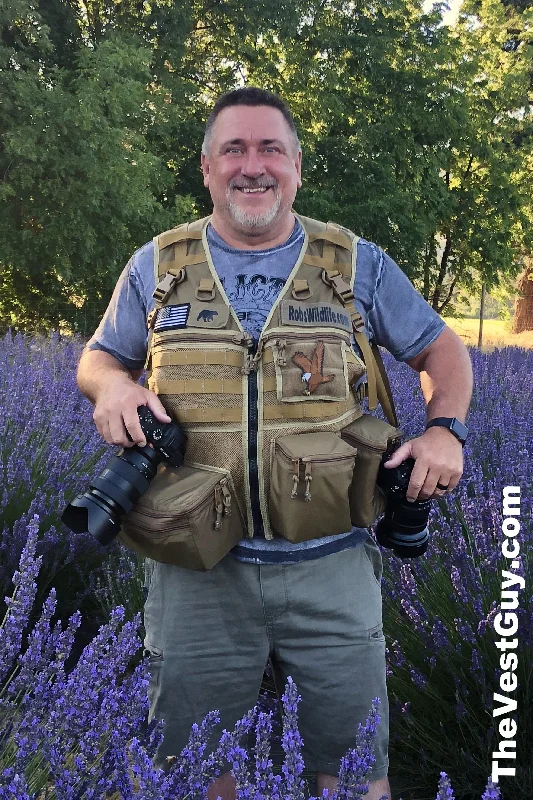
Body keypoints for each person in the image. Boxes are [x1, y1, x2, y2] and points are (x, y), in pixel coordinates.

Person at [77, 87, 473, 800]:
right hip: (194, 570)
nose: (251, 166)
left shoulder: (353, 264)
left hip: (330, 565)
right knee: (197, 772)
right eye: (234, 149)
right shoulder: (157, 266)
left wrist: (444, 430)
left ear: (295, 165)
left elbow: (441, 352)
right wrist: (110, 387)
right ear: (206, 166)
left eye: (269, 149)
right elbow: (100, 356)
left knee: (352, 775)